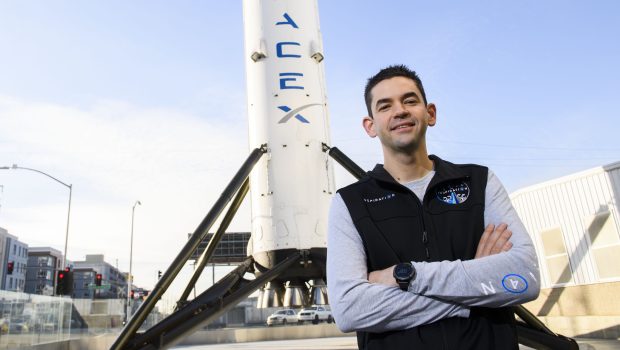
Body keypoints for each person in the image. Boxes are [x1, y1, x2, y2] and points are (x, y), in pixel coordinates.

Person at [326, 64, 540, 350]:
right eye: (385, 106)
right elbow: (350, 309)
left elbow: (524, 277)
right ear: (370, 126)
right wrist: (476, 284)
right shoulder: (349, 203)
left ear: (431, 114)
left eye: (410, 100)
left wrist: (406, 275)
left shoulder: (479, 181)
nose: (400, 111)